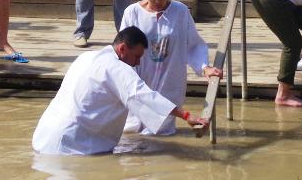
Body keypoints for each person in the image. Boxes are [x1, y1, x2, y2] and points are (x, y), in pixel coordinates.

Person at [31, 26, 208, 155]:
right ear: (122, 49)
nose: (138, 62)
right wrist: (186, 116)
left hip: (45, 135)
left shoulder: (86, 56)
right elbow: (144, 96)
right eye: (137, 56)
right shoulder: (117, 68)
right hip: (75, 144)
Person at [117, 0, 221, 134]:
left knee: (160, 133)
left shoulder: (179, 11)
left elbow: (193, 44)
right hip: (141, 78)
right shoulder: (132, 13)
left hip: (169, 80)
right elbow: (123, 48)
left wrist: (204, 67)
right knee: (130, 133)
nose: (158, 1)